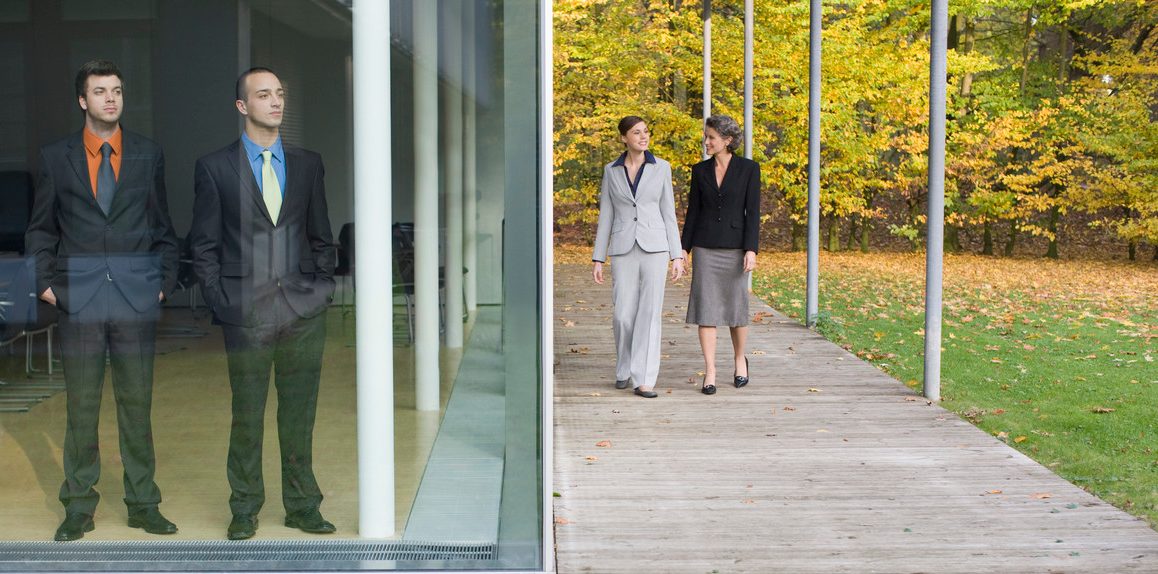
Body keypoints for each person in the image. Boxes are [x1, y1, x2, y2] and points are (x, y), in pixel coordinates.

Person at [25, 60, 180, 541]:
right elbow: (41, 230)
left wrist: (162, 283)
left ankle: (143, 503)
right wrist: (47, 287)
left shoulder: (147, 154)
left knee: (137, 406)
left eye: (116, 91)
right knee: (82, 409)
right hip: (80, 300)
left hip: (135, 299)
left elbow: (163, 230)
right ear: (82, 100)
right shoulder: (55, 157)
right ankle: (78, 507)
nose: (110, 99)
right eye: (100, 91)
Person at [189, 67, 336, 540]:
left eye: (279, 94)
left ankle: (302, 506)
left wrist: (321, 289)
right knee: (247, 413)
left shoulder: (309, 163)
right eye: (264, 95)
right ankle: (245, 507)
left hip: (302, 310)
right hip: (246, 311)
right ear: (242, 106)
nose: (276, 102)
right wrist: (222, 300)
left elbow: (321, 235)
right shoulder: (214, 167)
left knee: (300, 414)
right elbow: (204, 244)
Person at [592, 116, 686, 399]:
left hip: (655, 246)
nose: (643, 137)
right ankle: (623, 368)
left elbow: (669, 213)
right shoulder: (612, 170)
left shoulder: (661, 168)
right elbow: (606, 214)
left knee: (649, 313)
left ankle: (644, 379)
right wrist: (598, 257)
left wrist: (676, 254)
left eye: (646, 131)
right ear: (624, 138)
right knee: (622, 314)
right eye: (636, 133)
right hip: (622, 247)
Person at [681, 114, 760, 395]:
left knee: (736, 309)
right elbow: (693, 212)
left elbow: (753, 213)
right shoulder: (699, 171)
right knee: (706, 309)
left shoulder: (749, 169)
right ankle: (711, 369)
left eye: (711, 137)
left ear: (727, 140)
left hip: (736, 247)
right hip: (704, 246)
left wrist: (751, 249)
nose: (706, 141)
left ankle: (740, 360)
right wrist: (684, 248)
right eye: (706, 136)